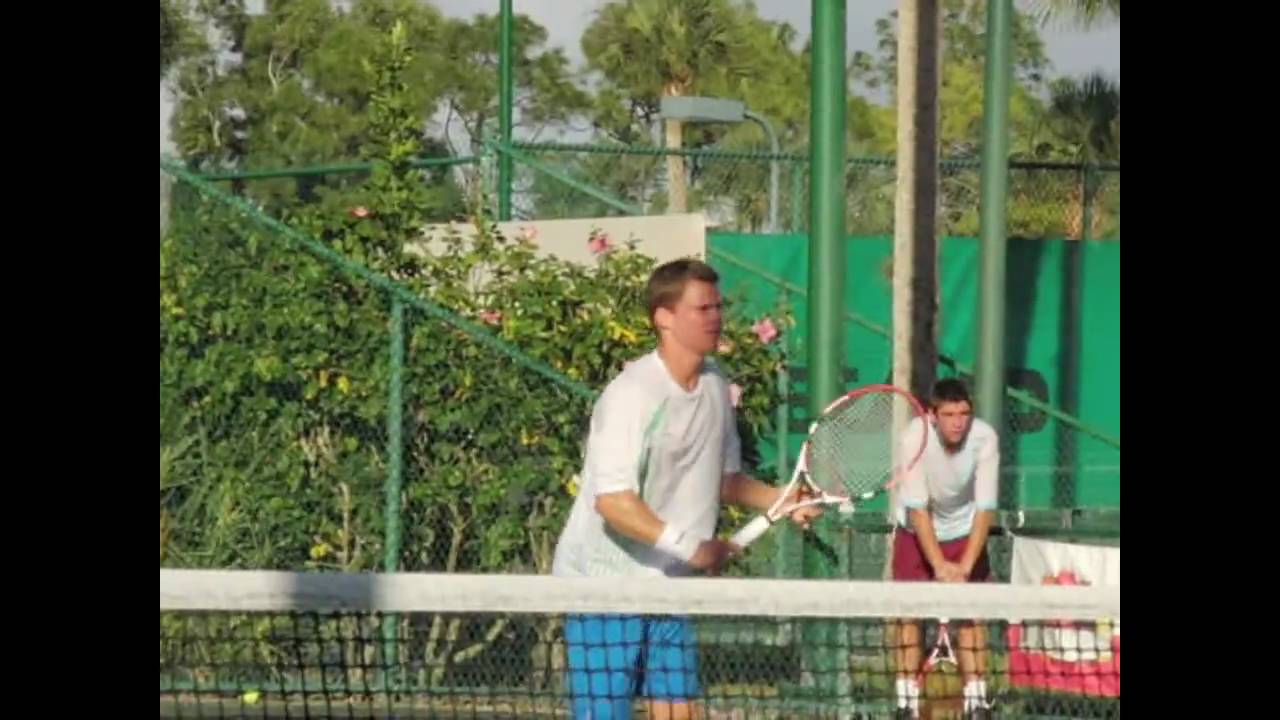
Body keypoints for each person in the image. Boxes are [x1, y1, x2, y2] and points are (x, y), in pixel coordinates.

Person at [551, 258, 820, 720]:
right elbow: (613, 501)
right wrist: (691, 548)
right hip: (603, 589)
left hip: (668, 588)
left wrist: (782, 499)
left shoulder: (716, 385)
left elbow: (724, 481)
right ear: (664, 317)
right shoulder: (631, 395)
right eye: (702, 308)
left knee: (680, 712)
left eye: (718, 306)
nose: (715, 317)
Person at [889, 378, 1000, 720]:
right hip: (915, 532)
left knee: (972, 616)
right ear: (933, 416)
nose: (958, 422)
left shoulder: (985, 439)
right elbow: (919, 510)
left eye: (964, 413)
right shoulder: (913, 438)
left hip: (966, 531)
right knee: (909, 615)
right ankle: (906, 701)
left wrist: (964, 567)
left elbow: (985, 508)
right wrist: (938, 564)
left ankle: (977, 700)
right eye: (949, 414)